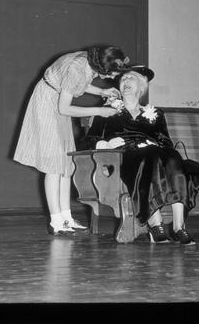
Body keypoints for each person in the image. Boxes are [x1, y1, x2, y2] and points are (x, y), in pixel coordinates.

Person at [13, 45, 129, 235]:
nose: (112, 78)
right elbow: (64, 109)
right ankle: (56, 221)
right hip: (48, 102)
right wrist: (101, 111)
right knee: (53, 164)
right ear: (102, 67)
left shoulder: (91, 59)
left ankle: (66, 217)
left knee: (66, 163)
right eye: (111, 75)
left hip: (56, 98)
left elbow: (77, 84)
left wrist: (103, 92)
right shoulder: (78, 65)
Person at [81, 66, 199, 245]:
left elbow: (166, 142)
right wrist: (103, 144)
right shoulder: (107, 111)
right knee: (151, 155)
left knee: (171, 155)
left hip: (154, 156)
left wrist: (153, 144)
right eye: (123, 79)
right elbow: (87, 141)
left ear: (142, 87)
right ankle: (156, 224)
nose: (126, 81)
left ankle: (179, 227)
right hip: (124, 158)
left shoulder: (155, 114)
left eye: (131, 78)